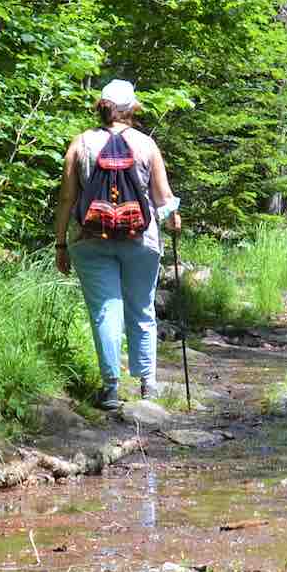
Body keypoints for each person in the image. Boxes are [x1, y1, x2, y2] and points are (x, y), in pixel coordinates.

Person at [55, 80, 182, 410]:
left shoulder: (80, 144)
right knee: (141, 309)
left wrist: (60, 244)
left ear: (102, 107)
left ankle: (111, 388)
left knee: (106, 310)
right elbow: (163, 199)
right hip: (141, 239)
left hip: (89, 240)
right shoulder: (146, 145)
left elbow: (68, 198)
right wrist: (173, 219)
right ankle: (148, 385)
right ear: (133, 109)